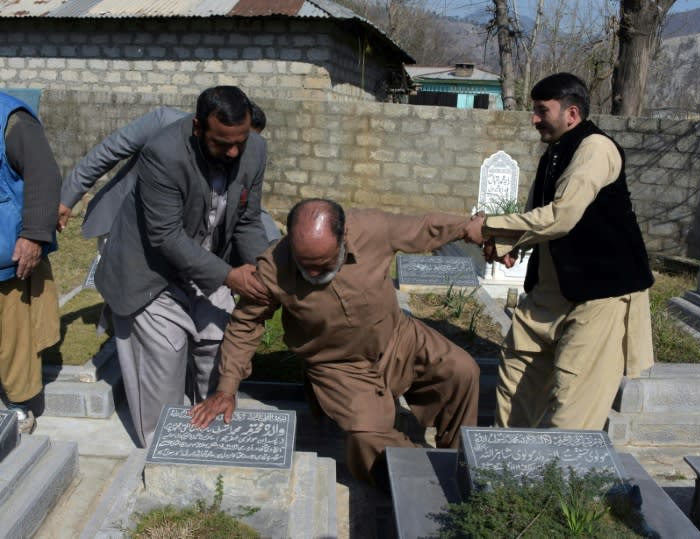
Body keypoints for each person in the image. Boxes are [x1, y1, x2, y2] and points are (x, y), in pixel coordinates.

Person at [191, 198, 481, 486]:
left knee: (462, 369)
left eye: (323, 263)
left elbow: (424, 228)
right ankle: (425, 480)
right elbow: (246, 324)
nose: (314, 274)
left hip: (398, 338)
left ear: (344, 237)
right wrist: (227, 388)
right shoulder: (273, 267)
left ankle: (461, 464)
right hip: (338, 366)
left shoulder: (372, 228)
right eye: (305, 266)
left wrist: (471, 228)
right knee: (367, 437)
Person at [465, 72, 655, 431]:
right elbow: (538, 210)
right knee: (516, 376)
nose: (534, 119)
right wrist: (509, 246)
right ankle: (503, 468)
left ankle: (559, 482)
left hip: (600, 294)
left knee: (572, 405)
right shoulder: (553, 153)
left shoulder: (595, 149)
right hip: (551, 289)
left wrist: (490, 225)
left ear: (571, 113)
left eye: (542, 111)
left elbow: (562, 216)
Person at [95, 86, 272, 447]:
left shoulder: (255, 150)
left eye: (240, 141)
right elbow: (166, 237)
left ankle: (209, 445)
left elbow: (247, 221)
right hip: (150, 274)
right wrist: (229, 276)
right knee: (164, 366)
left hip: (208, 267)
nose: (234, 152)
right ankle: (165, 454)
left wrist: (261, 270)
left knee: (221, 345)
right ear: (197, 127)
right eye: (223, 144)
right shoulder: (163, 153)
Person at [57, 101, 279, 247]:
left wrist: (274, 247)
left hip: (171, 235)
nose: (235, 152)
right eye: (229, 141)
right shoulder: (164, 121)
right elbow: (108, 151)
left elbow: (250, 203)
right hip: (124, 220)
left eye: (244, 144)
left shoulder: (239, 157)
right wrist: (68, 198)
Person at [0, 93, 62, 434]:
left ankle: (19, 405)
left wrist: (35, 235)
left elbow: (44, 176)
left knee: (12, 334)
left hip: (6, 251)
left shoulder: (11, 119)